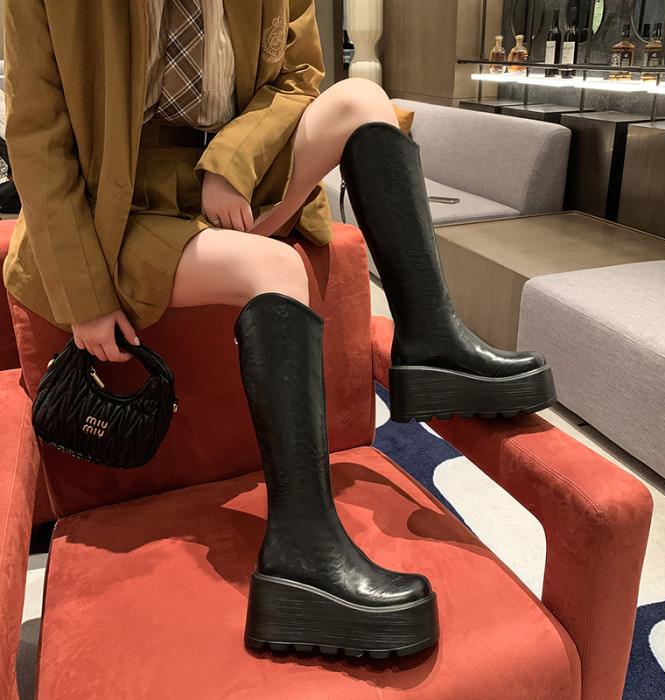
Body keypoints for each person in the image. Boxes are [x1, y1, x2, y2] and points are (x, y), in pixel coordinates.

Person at [3, 0, 555, 658]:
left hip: (225, 177)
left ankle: (431, 345)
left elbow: (297, 78)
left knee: (361, 99)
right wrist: (86, 298)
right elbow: (36, 132)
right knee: (274, 268)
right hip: (115, 209)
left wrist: (230, 163)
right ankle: (301, 561)